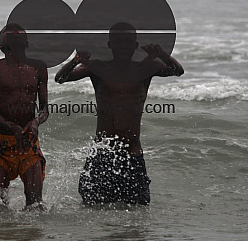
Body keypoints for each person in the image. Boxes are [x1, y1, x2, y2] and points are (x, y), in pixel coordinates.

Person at [55, 22, 183, 206]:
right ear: (110, 45)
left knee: (138, 210)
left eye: (128, 42)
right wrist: (75, 61)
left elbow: (178, 71)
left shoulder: (146, 68)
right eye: (118, 42)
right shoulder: (97, 67)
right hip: (103, 152)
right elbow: (60, 78)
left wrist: (161, 54)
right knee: (92, 207)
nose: (123, 47)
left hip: (132, 153)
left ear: (135, 45)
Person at [0, 23, 49, 208]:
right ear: (0, 45)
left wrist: (36, 122)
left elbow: (44, 109)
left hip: (28, 142)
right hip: (1, 142)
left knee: (36, 205)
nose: (14, 32)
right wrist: (11, 126)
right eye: (9, 32)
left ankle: (30, 236)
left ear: (26, 43)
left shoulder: (38, 67)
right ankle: (3, 237)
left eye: (19, 31)